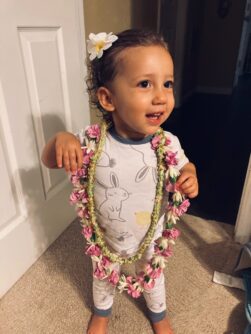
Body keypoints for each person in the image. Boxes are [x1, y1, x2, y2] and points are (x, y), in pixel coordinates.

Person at [42, 29, 199, 334]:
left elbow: (184, 166)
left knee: (153, 276)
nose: (161, 96)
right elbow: (50, 160)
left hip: (151, 237)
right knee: (103, 275)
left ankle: (158, 315)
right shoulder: (92, 142)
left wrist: (189, 175)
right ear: (108, 98)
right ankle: (102, 311)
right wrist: (60, 141)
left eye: (167, 83)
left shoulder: (168, 143)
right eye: (145, 84)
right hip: (106, 237)